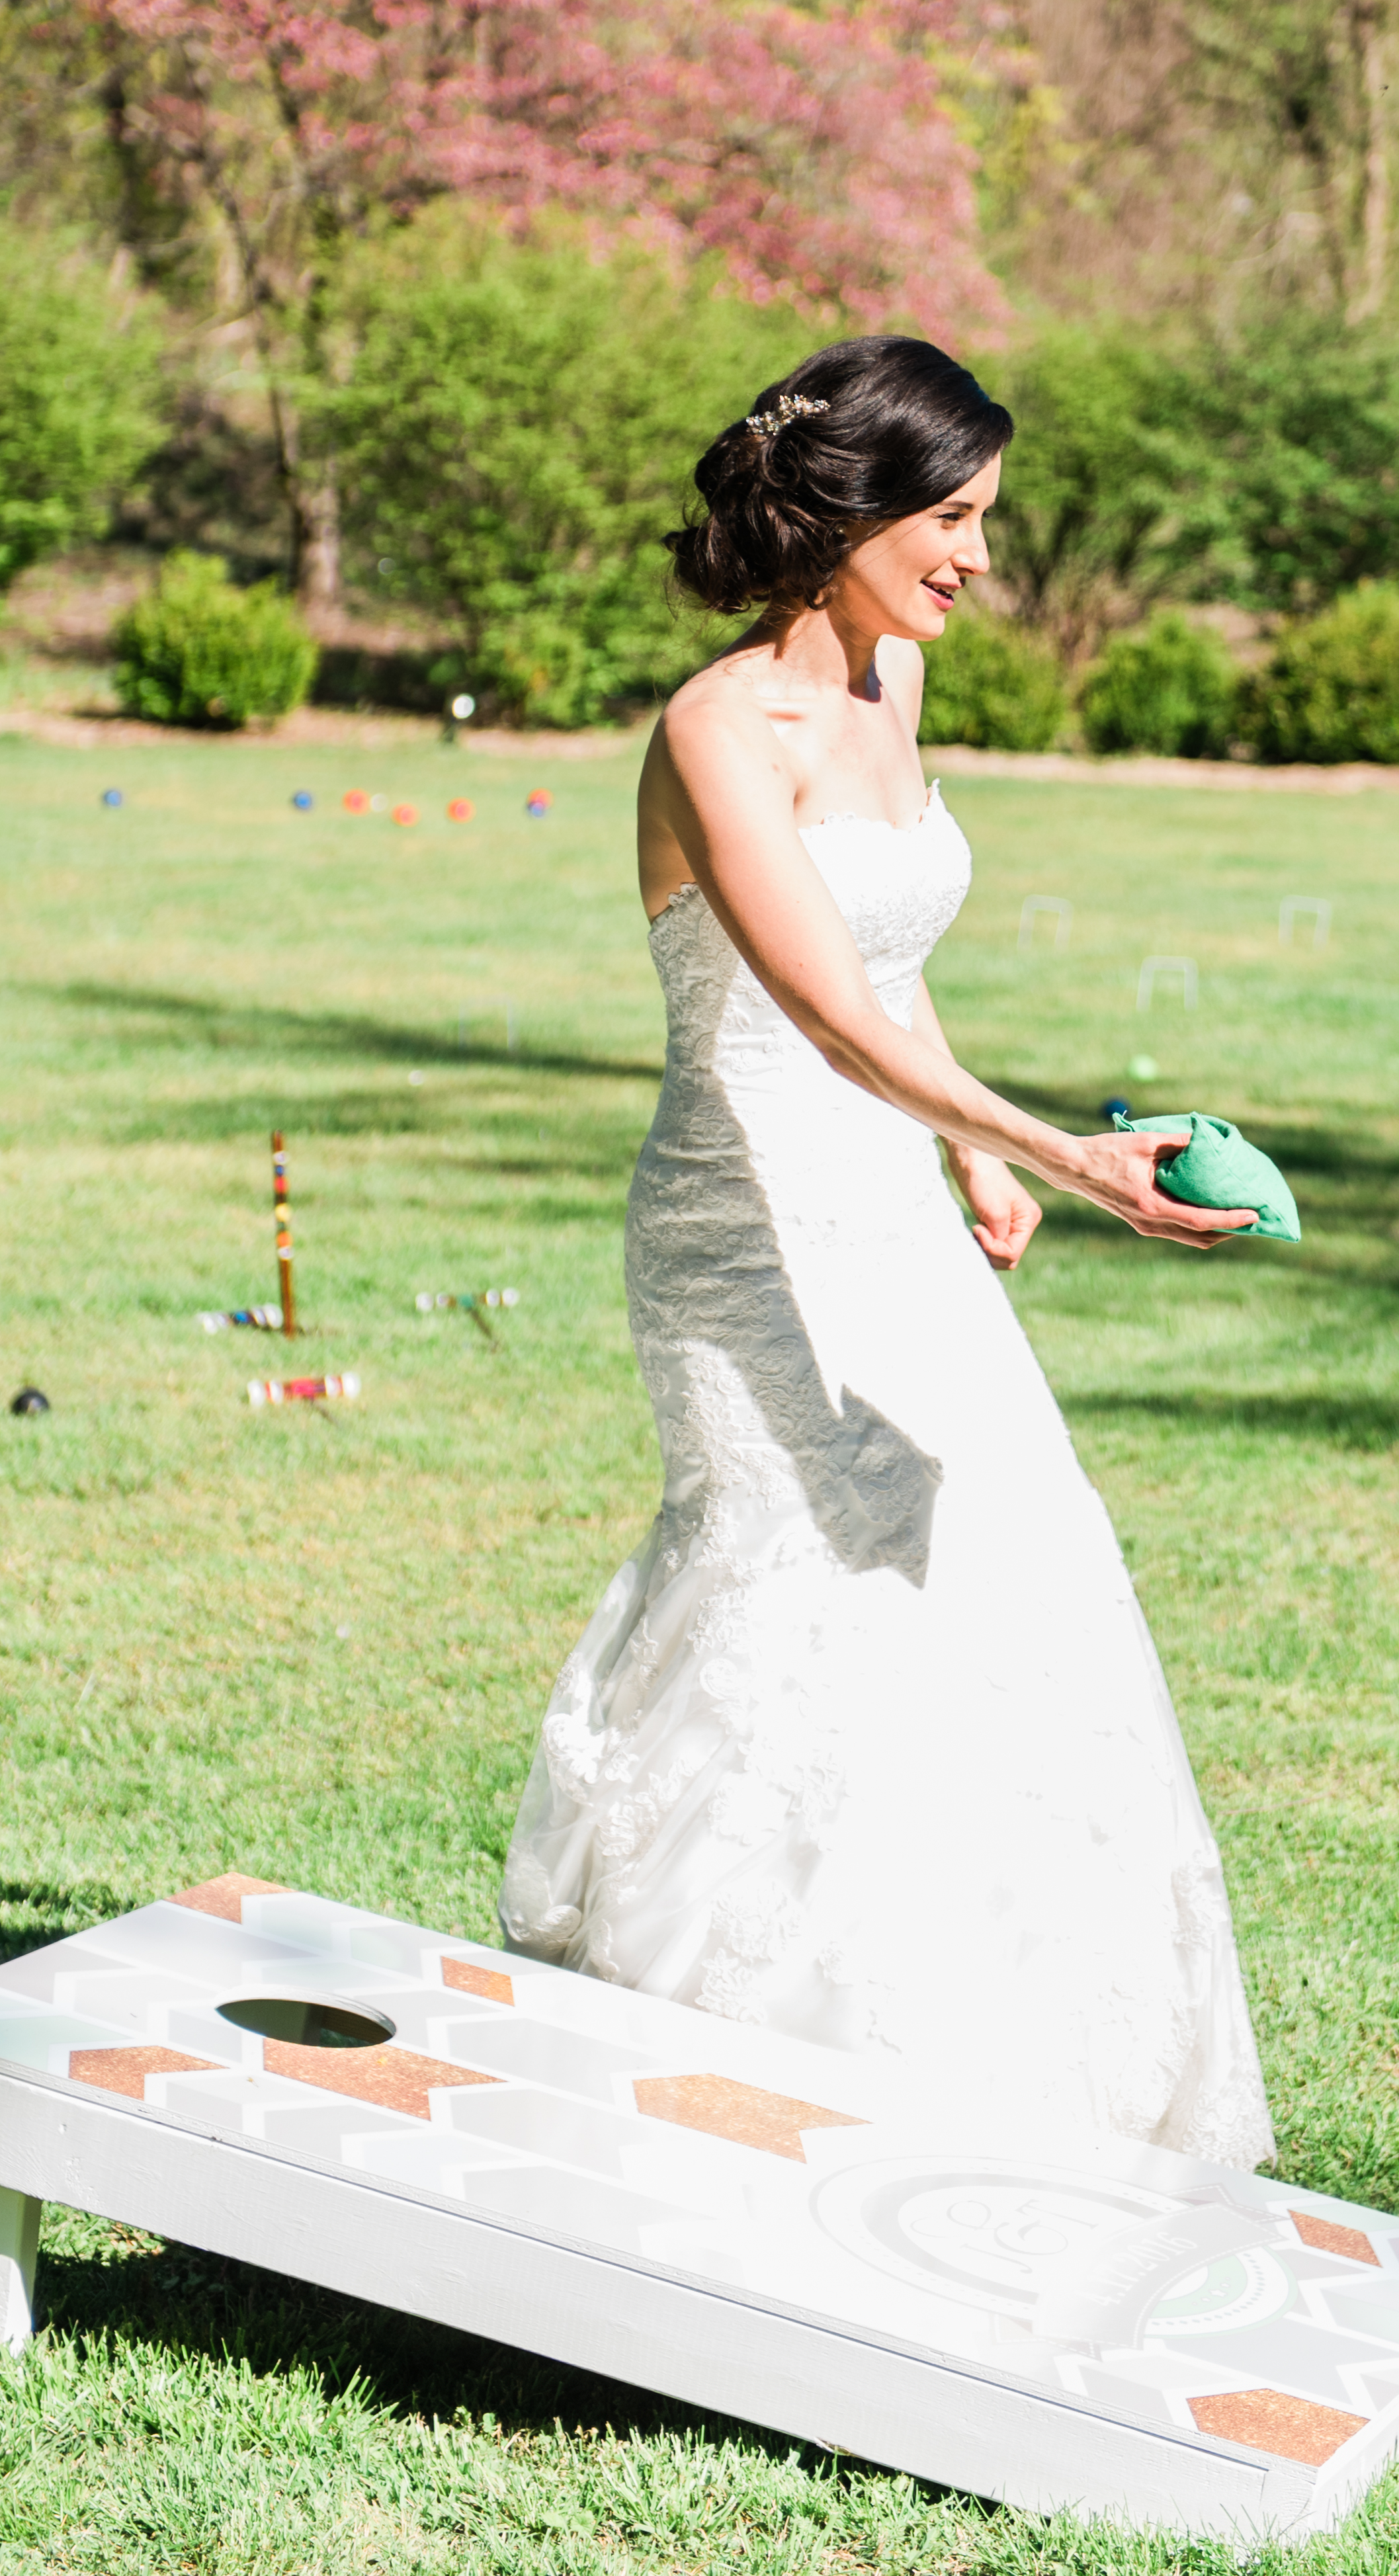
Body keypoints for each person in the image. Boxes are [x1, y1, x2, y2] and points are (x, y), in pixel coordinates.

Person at [501, 337, 1275, 2167]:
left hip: (895, 1217)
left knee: (991, 1579)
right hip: (743, 1226)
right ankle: (709, 2076)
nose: (977, 559)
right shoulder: (714, 730)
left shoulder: (892, 677)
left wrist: (965, 1160)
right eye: (951, 517)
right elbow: (820, 1012)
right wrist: (1058, 1150)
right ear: (843, 510)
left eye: (985, 519)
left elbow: (896, 959)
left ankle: (985, 2081)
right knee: (789, 1595)